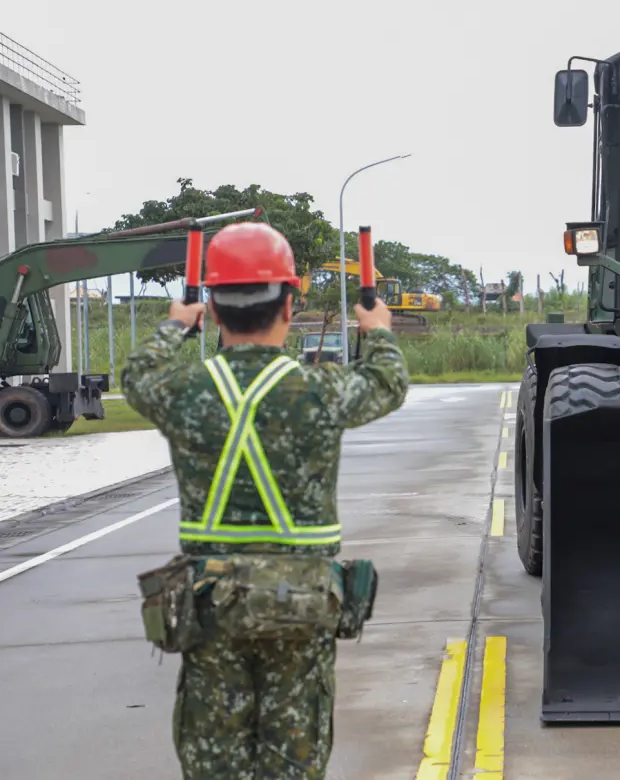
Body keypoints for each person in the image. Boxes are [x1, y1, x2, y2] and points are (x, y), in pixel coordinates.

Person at [122, 221, 409, 779]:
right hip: (300, 605)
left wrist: (176, 326)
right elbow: (387, 382)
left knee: (216, 763)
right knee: (293, 762)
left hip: (212, 605)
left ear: (212, 303)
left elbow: (138, 375)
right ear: (289, 304)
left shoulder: (183, 393)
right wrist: (375, 328)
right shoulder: (324, 392)